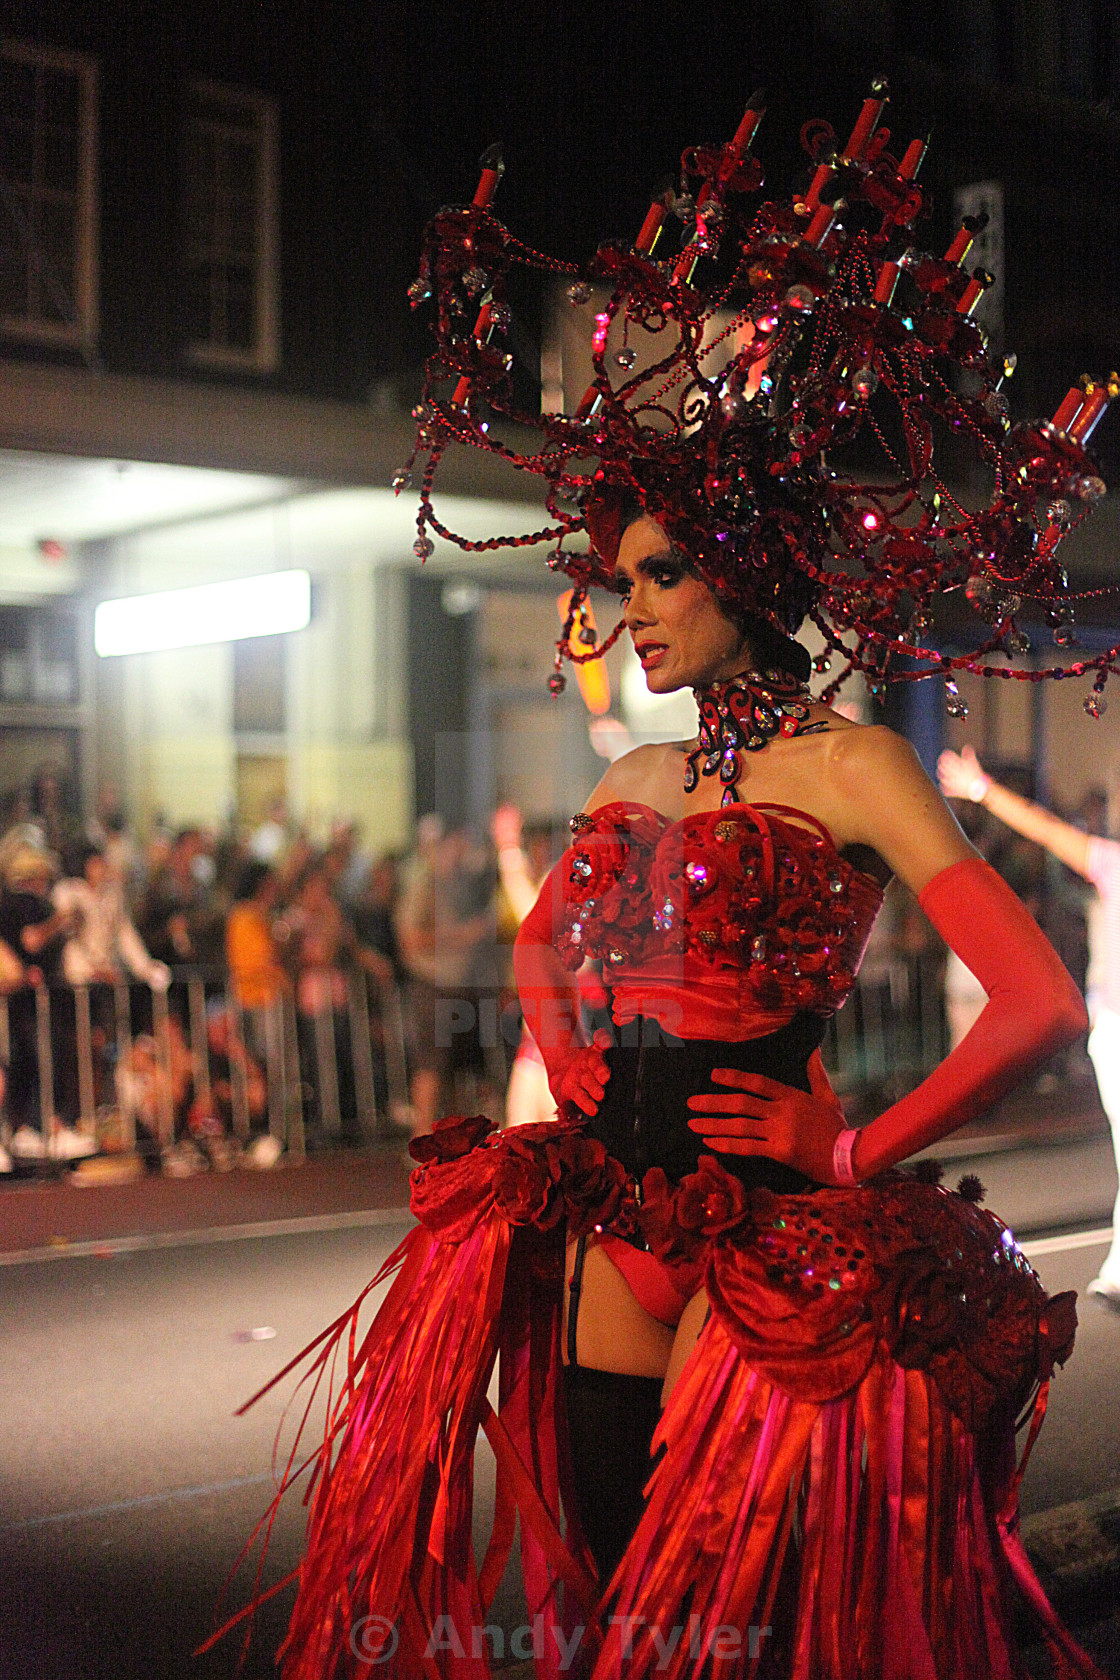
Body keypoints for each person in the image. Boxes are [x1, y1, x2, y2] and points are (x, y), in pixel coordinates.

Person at [229, 94, 1114, 1680]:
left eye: (658, 576)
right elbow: (538, 950)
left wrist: (852, 1143)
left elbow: (1040, 1004)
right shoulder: (634, 782)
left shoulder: (858, 773)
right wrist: (565, 1057)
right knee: (584, 1610)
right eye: (617, 578)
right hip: (594, 1225)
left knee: (722, 1636)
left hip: (766, 1250)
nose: (626, 611)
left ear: (746, 577)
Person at [939, 744, 1120, 1307]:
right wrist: (982, 792)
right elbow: (1045, 830)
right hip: (1113, 1023)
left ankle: (1118, 1269)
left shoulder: (1111, 862)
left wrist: (982, 791)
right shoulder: (1111, 861)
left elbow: (1046, 831)